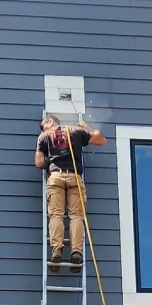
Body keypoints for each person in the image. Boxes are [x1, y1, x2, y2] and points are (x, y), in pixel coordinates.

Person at [35, 114, 107, 273]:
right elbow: (101, 140)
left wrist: (52, 161)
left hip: (55, 177)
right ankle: (76, 252)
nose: (42, 129)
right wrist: (85, 127)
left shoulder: (43, 136)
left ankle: (57, 251)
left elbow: (39, 162)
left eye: (43, 125)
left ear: (51, 121)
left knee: (56, 215)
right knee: (76, 215)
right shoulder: (76, 131)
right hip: (75, 176)